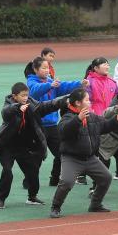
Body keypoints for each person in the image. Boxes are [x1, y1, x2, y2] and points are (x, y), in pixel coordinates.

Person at [0, 82, 68, 208]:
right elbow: (6, 112)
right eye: (22, 95)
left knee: (33, 171)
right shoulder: (9, 105)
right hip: (7, 146)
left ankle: (32, 197)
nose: (25, 98)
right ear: (14, 96)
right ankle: (0, 199)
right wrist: (17, 108)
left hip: (23, 146)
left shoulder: (31, 104)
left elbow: (47, 105)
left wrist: (65, 99)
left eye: (26, 95)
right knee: (7, 171)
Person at [49, 87, 118, 218]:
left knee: (106, 178)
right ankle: (55, 207)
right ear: (78, 103)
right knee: (66, 182)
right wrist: (78, 119)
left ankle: (95, 204)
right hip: (72, 158)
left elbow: (105, 126)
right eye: (87, 100)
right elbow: (64, 132)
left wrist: (116, 120)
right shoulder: (67, 117)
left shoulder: (91, 116)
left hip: (90, 158)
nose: (90, 102)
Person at [25, 57, 85, 186]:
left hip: (52, 126)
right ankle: (28, 181)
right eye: (43, 68)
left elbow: (64, 86)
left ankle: (55, 178)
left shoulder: (50, 81)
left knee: (62, 153)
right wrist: (49, 85)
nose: (47, 70)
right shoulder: (31, 82)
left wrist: (79, 84)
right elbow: (35, 91)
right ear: (35, 69)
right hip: (37, 126)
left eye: (48, 68)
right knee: (37, 156)